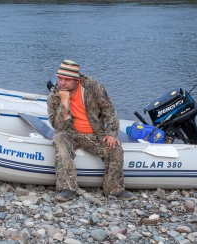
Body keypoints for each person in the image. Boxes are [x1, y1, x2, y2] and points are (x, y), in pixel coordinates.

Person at [47, 60, 135, 202]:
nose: (62, 83)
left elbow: (109, 109)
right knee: (59, 140)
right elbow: (58, 126)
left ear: (76, 80)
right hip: (70, 133)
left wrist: (111, 133)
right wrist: (64, 104)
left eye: (67, 80)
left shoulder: (93, 86)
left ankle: (114, 190)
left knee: (115, 148)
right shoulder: (54, 97)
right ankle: (67, 189)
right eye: (60, 78)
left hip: (95, 133)